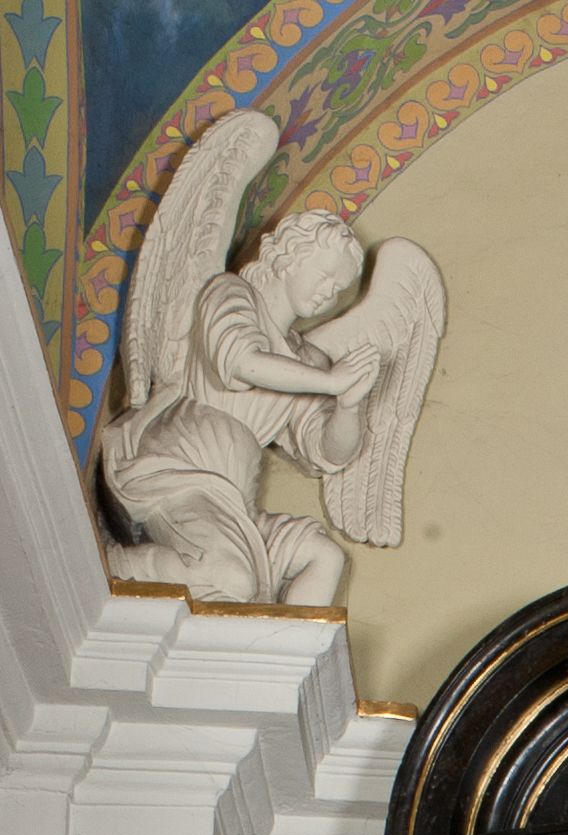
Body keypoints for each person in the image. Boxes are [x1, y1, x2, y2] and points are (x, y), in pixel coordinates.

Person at [102, 209, 384, 606]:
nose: (329, 293)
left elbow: (328, 451)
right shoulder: (232, 294)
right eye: (325, 276)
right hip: (181, 467)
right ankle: (109, 567)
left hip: (235, 495)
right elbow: (239, 363)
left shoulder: (306, 360)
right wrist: (331, 382)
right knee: (232, 579)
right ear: (290, 257)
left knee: (325, 557)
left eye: (339, 288)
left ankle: (280, 645)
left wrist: (348, 406)